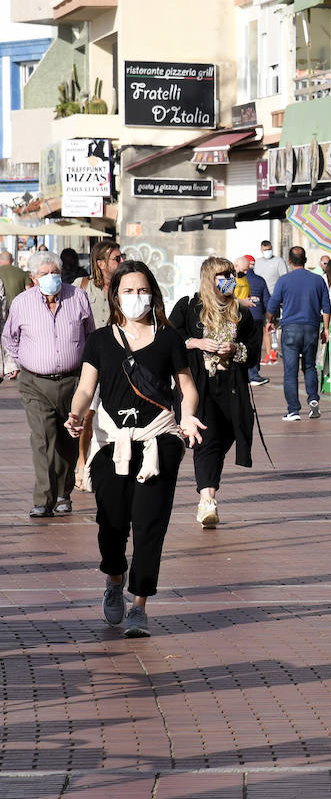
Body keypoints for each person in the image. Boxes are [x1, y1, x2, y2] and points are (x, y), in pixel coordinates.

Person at [64, 260, 204, 638]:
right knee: (111, 525)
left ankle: (139, 604)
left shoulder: (169, 339)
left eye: (143, 290)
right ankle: (114, 579)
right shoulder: (99, 340)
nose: (136, 297)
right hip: (112, 442)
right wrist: (76, 415)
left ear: (153, 295)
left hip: (160, 440)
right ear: (115, 296)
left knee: (149, 525)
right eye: (128, 291)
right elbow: (85, 390)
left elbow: (186, 387)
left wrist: (187, 416)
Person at [2, 251, 94, 517]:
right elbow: (9, 338)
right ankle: (43, 498)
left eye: (54, 272)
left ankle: (64, 493)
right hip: (35, 383)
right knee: (43, 439)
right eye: (44, 274)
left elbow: (90, 333)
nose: (51, 278)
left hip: (72, 380)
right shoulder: (22, 303)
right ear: (33, 277)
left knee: (67, 438)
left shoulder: (78, 297)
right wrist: (24, 361)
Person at [171, 257, 260, 530]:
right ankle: (207, 500)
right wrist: (195, 342)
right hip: (199, 385)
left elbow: (252, 351)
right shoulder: (189, 307)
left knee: (226, 436)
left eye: (231, 274)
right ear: (209, 278)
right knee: (206, 438)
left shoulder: (241, 313)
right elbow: (170, 339)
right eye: (223, 275)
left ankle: (209, 489)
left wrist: (235, 349)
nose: (229, 279)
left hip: (231, 386)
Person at [74, 240, 124, 490]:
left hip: (119, 361)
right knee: (88, 414)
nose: (121, 261)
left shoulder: (125, 286)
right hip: (91, 361)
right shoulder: (81, 287)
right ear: (101, 263)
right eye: (117, 258)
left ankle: (106, 463)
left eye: (122, 257)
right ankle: (82, 464)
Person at [266, 246, 330, 422]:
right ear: (306, 260)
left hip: (291, 329)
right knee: (310, 367)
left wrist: (270, 321)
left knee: (290, 371)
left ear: (289, 261)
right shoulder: (318, 280)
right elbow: (326, 306)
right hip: (311, 327)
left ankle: (293, 410)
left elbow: (272, 305)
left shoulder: (284, 280)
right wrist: (325, 329)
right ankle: (313, 399)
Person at [234, 255, 271, 386]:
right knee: (244, 347)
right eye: (243, 270)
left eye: (246, 270)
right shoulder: (230, 280)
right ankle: (249, 375)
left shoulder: (243, 279)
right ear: (236, 266)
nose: (245, 273)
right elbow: (222, 298)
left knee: (249, 346)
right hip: (238, 319)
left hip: (246, 318)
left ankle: (249, 375)